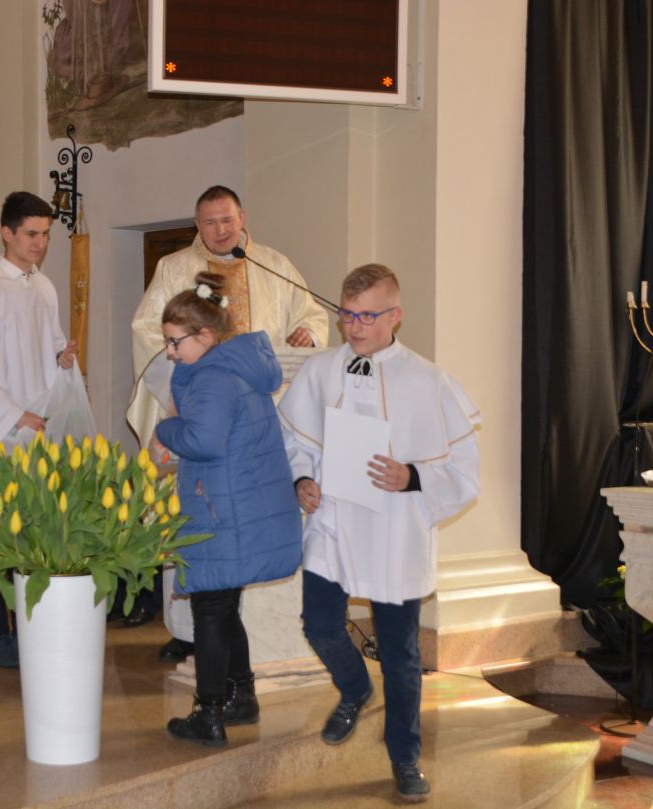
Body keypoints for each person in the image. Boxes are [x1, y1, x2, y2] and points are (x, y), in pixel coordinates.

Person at [279, 263, 481, 802]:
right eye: (347, 315)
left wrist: (411, 476)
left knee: (400, 654)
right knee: (320, 625)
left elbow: (464, 471)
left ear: (396, 316)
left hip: (394, 530)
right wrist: (301, 480)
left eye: (368, 316)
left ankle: (405, 759)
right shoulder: (320, 371)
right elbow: (295, 440)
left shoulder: (428, 381)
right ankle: (354, 688)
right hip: (334, 522)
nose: (354, 326)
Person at [129, 184, 329, 664]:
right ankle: (186, 630)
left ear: (243, 218)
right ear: (197, 225)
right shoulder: (174, 267)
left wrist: (309, 330)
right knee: (194, 513)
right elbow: (147, 331)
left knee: (245, 515)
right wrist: (178, 400)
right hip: (202, 413)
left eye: (227, 220)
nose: (220, 230)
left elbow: (312, 313)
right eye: (209, 222)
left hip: (260, 416)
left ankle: (257, 632)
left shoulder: (274, 265)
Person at [155, 272, 302, 747]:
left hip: (222, 508)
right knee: (223, 606)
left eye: (175, 342)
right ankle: (242, 696)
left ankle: (209, 712)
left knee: (210, 610)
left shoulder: (213, 377)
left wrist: (164, 429)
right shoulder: (233, 366)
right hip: (235, 503)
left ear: (205, 335)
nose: (170, 352)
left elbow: (202, 440)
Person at [0, 190, 81, 668]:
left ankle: (32, 624)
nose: (40, 243)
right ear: (6, 233)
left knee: (35, 529)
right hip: (2, 431)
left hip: (37, 425)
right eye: (31, 234)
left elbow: (48, 348)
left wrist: (61, 359)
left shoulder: (43, 288)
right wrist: (13, 416)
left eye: (45, 235)